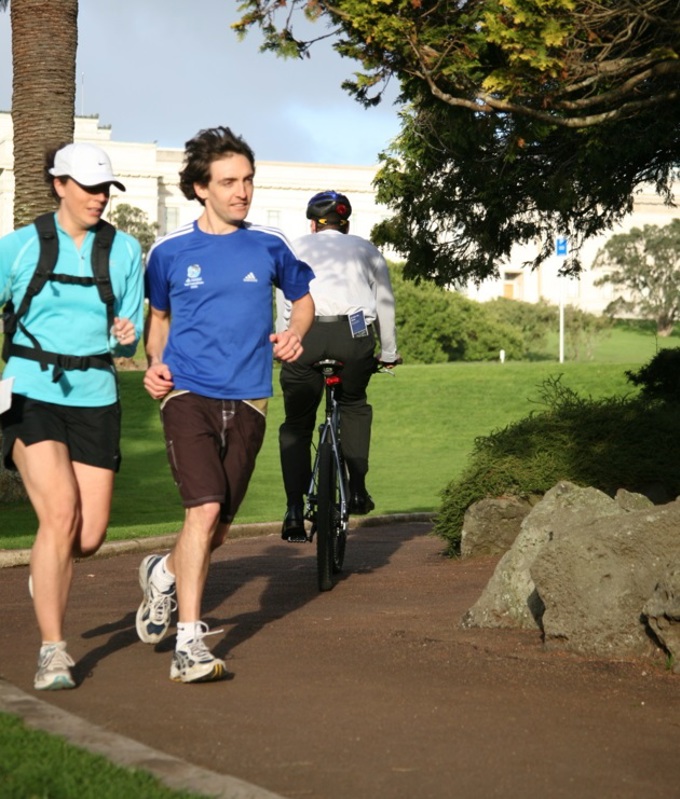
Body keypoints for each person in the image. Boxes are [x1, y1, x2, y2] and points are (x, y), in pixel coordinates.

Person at [137, 125, 315, 684]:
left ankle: (163, 572)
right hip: (187, 392)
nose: (243, 191)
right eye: (230, 181)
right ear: (200, 188)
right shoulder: (168, 252)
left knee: (214, 531)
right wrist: (154, 363)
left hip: (251, 399)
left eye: (248, 180)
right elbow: (158, 322)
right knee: (204, 509)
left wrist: (295, 334)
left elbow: (302, 301)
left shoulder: (270, 244)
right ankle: (189, 644)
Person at [0, 142, 144, 691]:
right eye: (89, 187)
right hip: (31, 390)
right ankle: (52, 651)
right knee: (59, 514)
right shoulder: (18, 246)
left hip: (96, 394)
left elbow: (125, 327)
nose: (100, 198)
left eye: (106, 189)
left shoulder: (125, 250)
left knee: (87, 537)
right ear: (59, 184)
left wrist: (123, 333)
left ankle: (49, 566)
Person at [277, 190, 400, 542]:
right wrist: (388, 352)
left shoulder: (295, 247)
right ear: (346, 224)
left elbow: (284, 300)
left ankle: (293, 510)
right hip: (354, 333)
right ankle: (358, 489)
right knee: (354, 406)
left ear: (312, 223)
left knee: (297, 424)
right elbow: (385, 303)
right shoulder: (365, 248)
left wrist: (283, 338)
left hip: (305, 335)